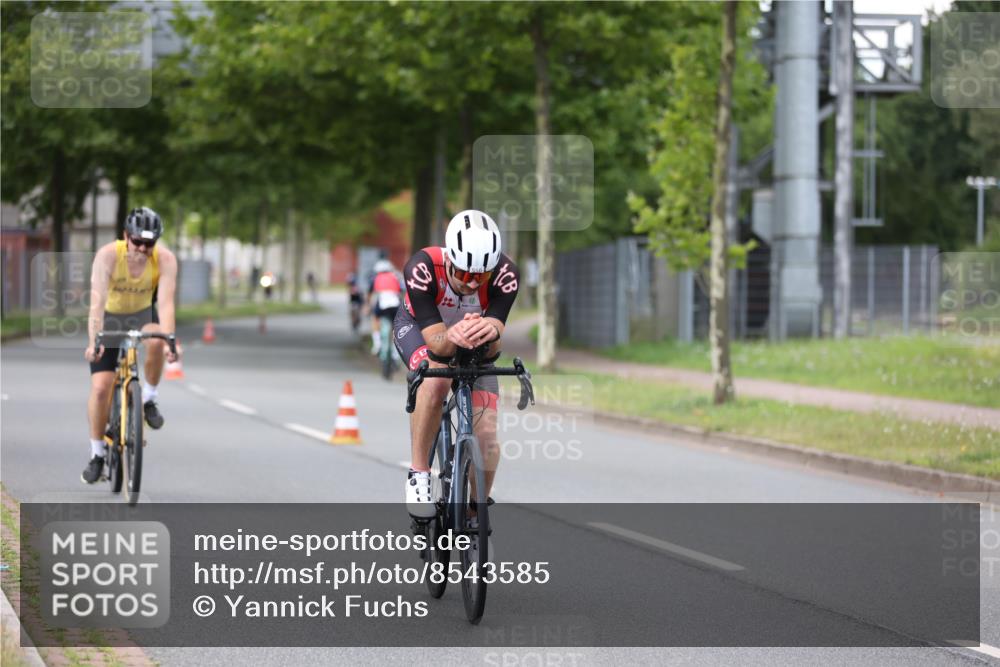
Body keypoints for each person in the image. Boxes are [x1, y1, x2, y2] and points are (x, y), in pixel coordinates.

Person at [394, 209, 520, 519]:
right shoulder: (422, 268)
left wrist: (489, 332)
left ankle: (476, 514)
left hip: (473, 340)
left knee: (487, 437)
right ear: (449, 259)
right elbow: (438, 345)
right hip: (423, 332)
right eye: (464, 274)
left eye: (481, 277)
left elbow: (493, 347)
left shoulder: (506, 275)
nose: (471, 284)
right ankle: (419, 473)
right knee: (435, 380)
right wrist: (453, 335)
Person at [82, 207, 180, 484]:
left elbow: (166, 303)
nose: (142, 248)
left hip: (142, 314)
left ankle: (148, 397)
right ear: (126, 236)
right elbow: (97, 302)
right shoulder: (108, 256)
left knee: (158, 342)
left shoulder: (166, 260)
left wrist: (170, 339)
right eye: (137, 241)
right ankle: (97, 454)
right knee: (101, 387)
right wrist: (94, 341)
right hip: (110, 318)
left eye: (149, 243)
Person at [367, 258, 402, 354]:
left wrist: (368, 306)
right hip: (396, 304)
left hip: (382, 304)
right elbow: (401, 290)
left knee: (375, 318)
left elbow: (370, 294)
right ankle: (396, 351)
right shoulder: (396, 276)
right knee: (397, 325)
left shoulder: (376, 278)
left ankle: (377, 344)